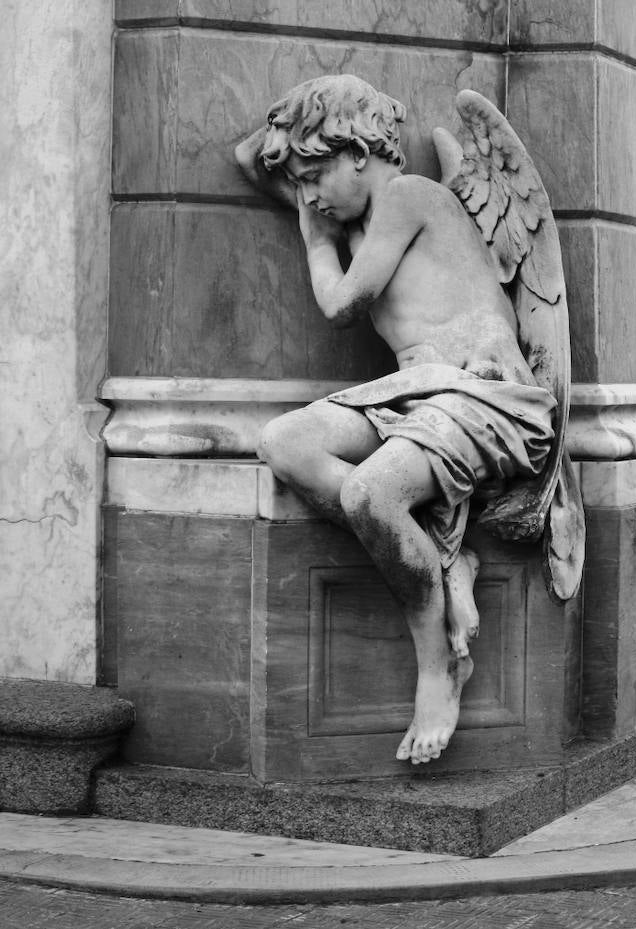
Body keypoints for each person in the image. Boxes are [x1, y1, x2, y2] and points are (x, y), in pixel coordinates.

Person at [234, 75, 556, 766]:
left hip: (485, 396)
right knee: (283, 443)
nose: (311, 198)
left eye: (317, 176)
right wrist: (296, 150)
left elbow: (344, 302)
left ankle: (438, 660)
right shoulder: (364, 216)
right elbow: (250, 158)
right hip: (418, 394)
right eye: (302, 185)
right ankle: (446, 562)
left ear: (360, 152)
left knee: (368, 492)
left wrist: (315, 242)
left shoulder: (411, 197)